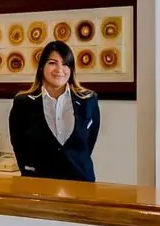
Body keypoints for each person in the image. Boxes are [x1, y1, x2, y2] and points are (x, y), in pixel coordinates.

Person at [8, 40, 101, 182]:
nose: (59, 69)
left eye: (65, 64)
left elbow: (89, 143)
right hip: (38, 183)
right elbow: (19, 145)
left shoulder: (88, 101)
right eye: (52, 63)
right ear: (41, 67)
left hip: (80, 182)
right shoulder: (23, 103)